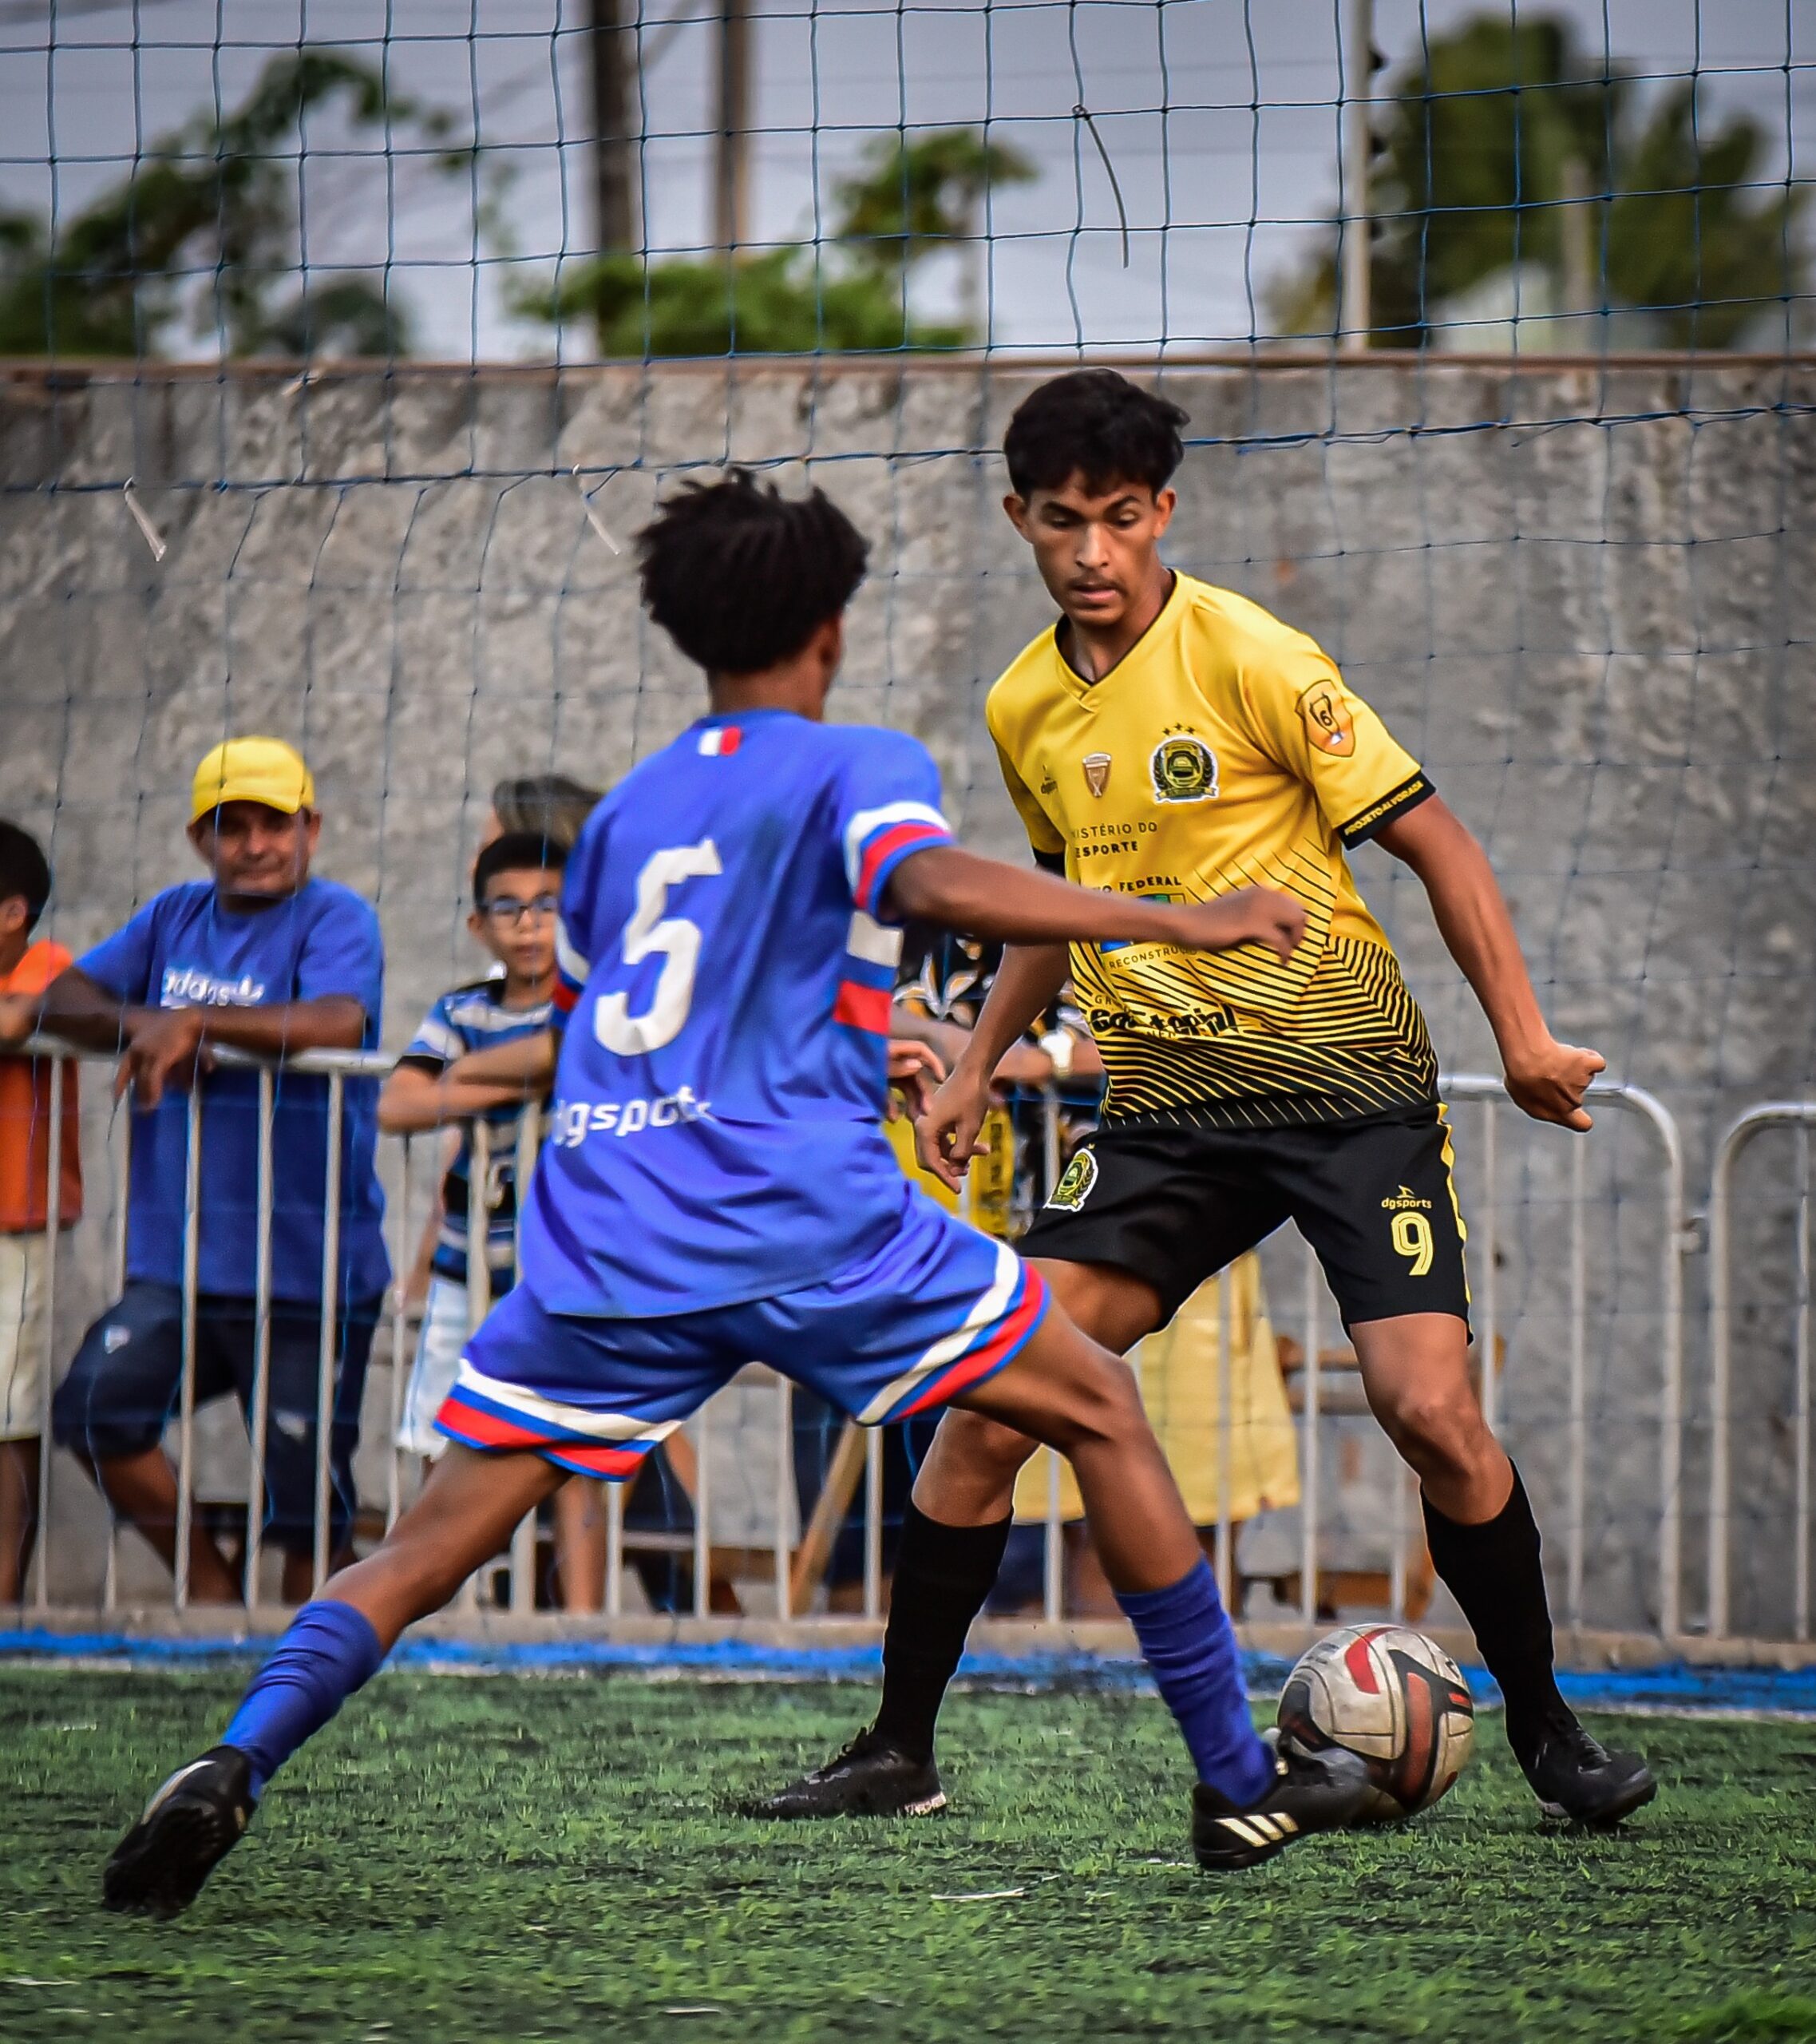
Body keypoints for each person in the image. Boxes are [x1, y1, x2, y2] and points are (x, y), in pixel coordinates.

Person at [100, 470, 1368, 1920]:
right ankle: (1234, 1782)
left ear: (685, 632)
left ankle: (234, 1759)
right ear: (829, 630)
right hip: (805, 1219)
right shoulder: (856, 760)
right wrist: (1176, 916)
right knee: (1095, 1407)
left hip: (609, 1236)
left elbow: (624, 1013)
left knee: (425, 1548)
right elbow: (926, 881)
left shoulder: (631, 811)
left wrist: (853, 1032)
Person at [760, 368, 1655, 1827]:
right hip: (1167, 1117)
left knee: (1428, 1410)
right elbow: (1054, 909)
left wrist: (1531, 1038)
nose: (1094, 552)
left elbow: (1441, 843)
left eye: (1121, 519)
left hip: (1348, 1089)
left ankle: (1552, 1732)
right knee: (984, 1406)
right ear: (1022, 521)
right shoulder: (1023, 703)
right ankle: (897, 1751)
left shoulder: (1249, 652)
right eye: (1063, 524)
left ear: (1163, 511)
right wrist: (979, 1064)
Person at [1, 739, 390, 1606]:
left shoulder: (337, 916)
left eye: (272, 824)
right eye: (230, 826)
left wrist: (192, 1021)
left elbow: (334, 1019)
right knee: (96, 1413)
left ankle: (304, 1660)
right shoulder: (174, 914)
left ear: (311, 827)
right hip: (178, 1263)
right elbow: (66, 997)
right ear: (197, 838)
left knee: (305, 1496)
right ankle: (213, 1600)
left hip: (307, 1266)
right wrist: (154, 1019)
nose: (253, 843)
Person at [377, 831, 607, 1606]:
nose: (528, 923)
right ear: (479, 925)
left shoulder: (597, 1001)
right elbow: (398, 1102)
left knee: (574, 1449)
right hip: (462, 1264)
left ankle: (582, 1627)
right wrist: (504, 1082)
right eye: (507, 908)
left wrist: (468, 1073)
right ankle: (438, 1608)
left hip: (569, 1273)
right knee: (439, 1441)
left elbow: (570, 1052)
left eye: (547, 905)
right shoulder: (461, 1009)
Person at [0, 822, 82, 1600]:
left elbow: (13, 1021)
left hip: (12, 1230)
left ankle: (4, 1594)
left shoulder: (45, 965)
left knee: (9, 1415)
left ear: (11, 911)